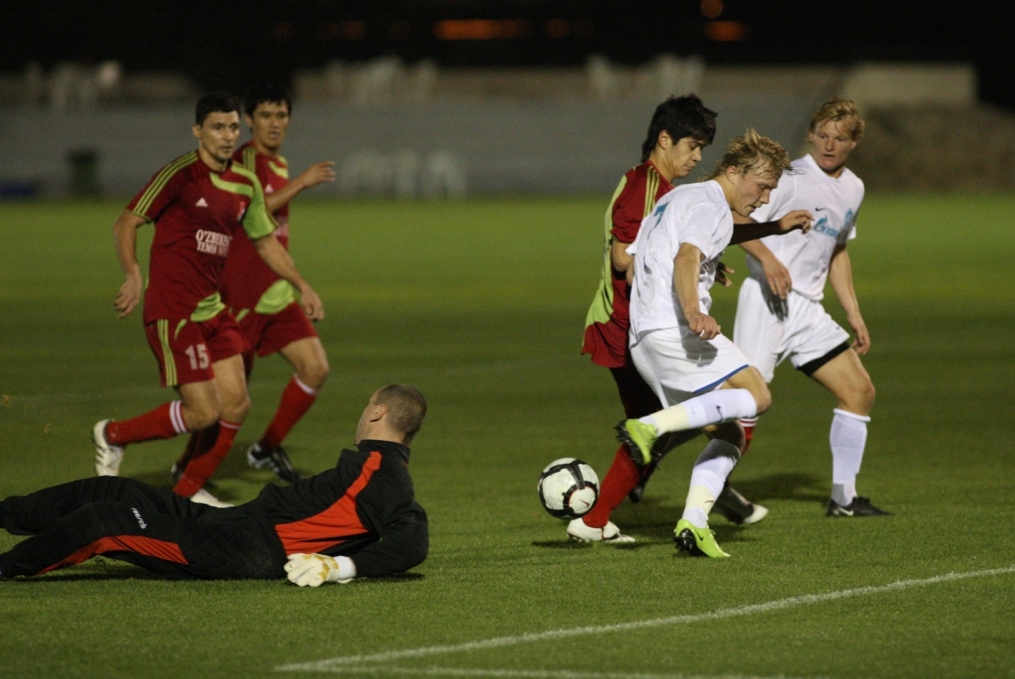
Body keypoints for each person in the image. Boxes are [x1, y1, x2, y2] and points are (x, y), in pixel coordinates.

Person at [93, 93, 324, 507]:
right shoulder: (182, 174)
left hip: (214, 309)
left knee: (236, 405)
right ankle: (112, 435)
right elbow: (126, 221)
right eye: (217, 127)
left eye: (232, 127)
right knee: (203, 413)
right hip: (174, 310)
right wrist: (133, 274)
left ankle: (186, 494)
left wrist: (302, 285)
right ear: (198, 130)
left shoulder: (244, 183)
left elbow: (266, 243)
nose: (226, 135)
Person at [1, 385, 428, 586]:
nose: (363, 411)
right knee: (114, 492)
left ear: (378, 413)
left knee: (105, 520)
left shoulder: (384, 474)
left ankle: (7, 566)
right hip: (235, 522)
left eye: (366, 403)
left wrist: (338, 567)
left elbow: (412, 541)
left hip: (245, 550)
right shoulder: (373, 466)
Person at [616, 129, 809, 558]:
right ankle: (652, 426)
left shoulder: (678, 198)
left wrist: (767, 231)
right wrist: (692, 308)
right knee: (756, 397)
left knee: (727, 435)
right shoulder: (712, 207)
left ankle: (694, 523)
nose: (763, 199)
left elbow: (632, 261)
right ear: (735, 171)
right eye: (762, 188)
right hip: (677, 330)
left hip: (644, 337)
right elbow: (687, 255)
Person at [172, 84, 336, 486]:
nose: (274, 124)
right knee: (226, 400)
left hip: (275, 291)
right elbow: (256, 210)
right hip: (241, 294)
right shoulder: (246, 157)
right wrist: (302, 182)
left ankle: (265, 448)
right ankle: (187, 468)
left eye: (281, 116)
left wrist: (295, 277)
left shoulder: (276, 164)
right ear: (249, 120)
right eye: (266, 116)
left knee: (315, 367)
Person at [732, 98, 888, 517]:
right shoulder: (790, 178)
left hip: (806, 310)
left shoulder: (853, 188)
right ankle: (676, 465)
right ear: (810, 134)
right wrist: (767, 259)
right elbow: (736, 220)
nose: (829, 144)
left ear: (854, 142)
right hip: (766, 300)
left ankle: (844, 499)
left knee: (859, 391)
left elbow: (836, 250)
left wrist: (853, 313)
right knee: (743, 404)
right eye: (822, 134)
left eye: (839, 138)